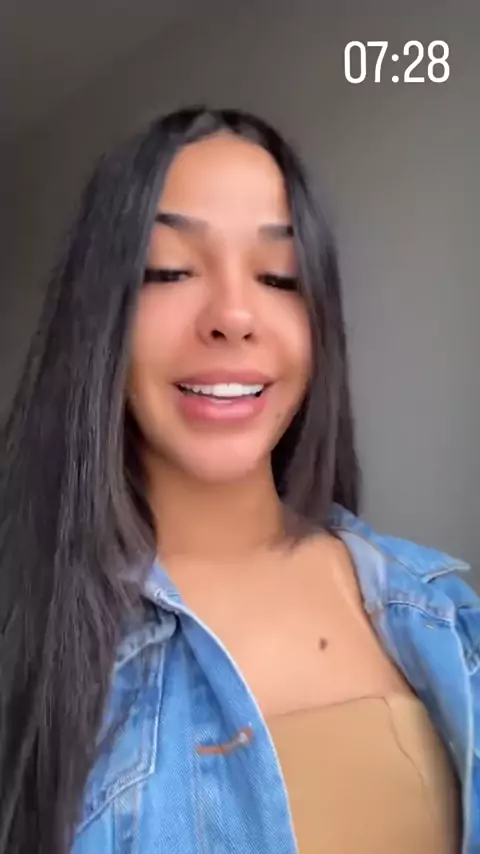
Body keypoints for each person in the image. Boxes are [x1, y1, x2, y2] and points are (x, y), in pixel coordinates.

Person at [0, 106, 477, 854]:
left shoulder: (444, 613)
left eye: (279, 276)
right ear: (100, 317)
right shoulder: (27, 634)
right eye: (169, 270)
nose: (233, 315)